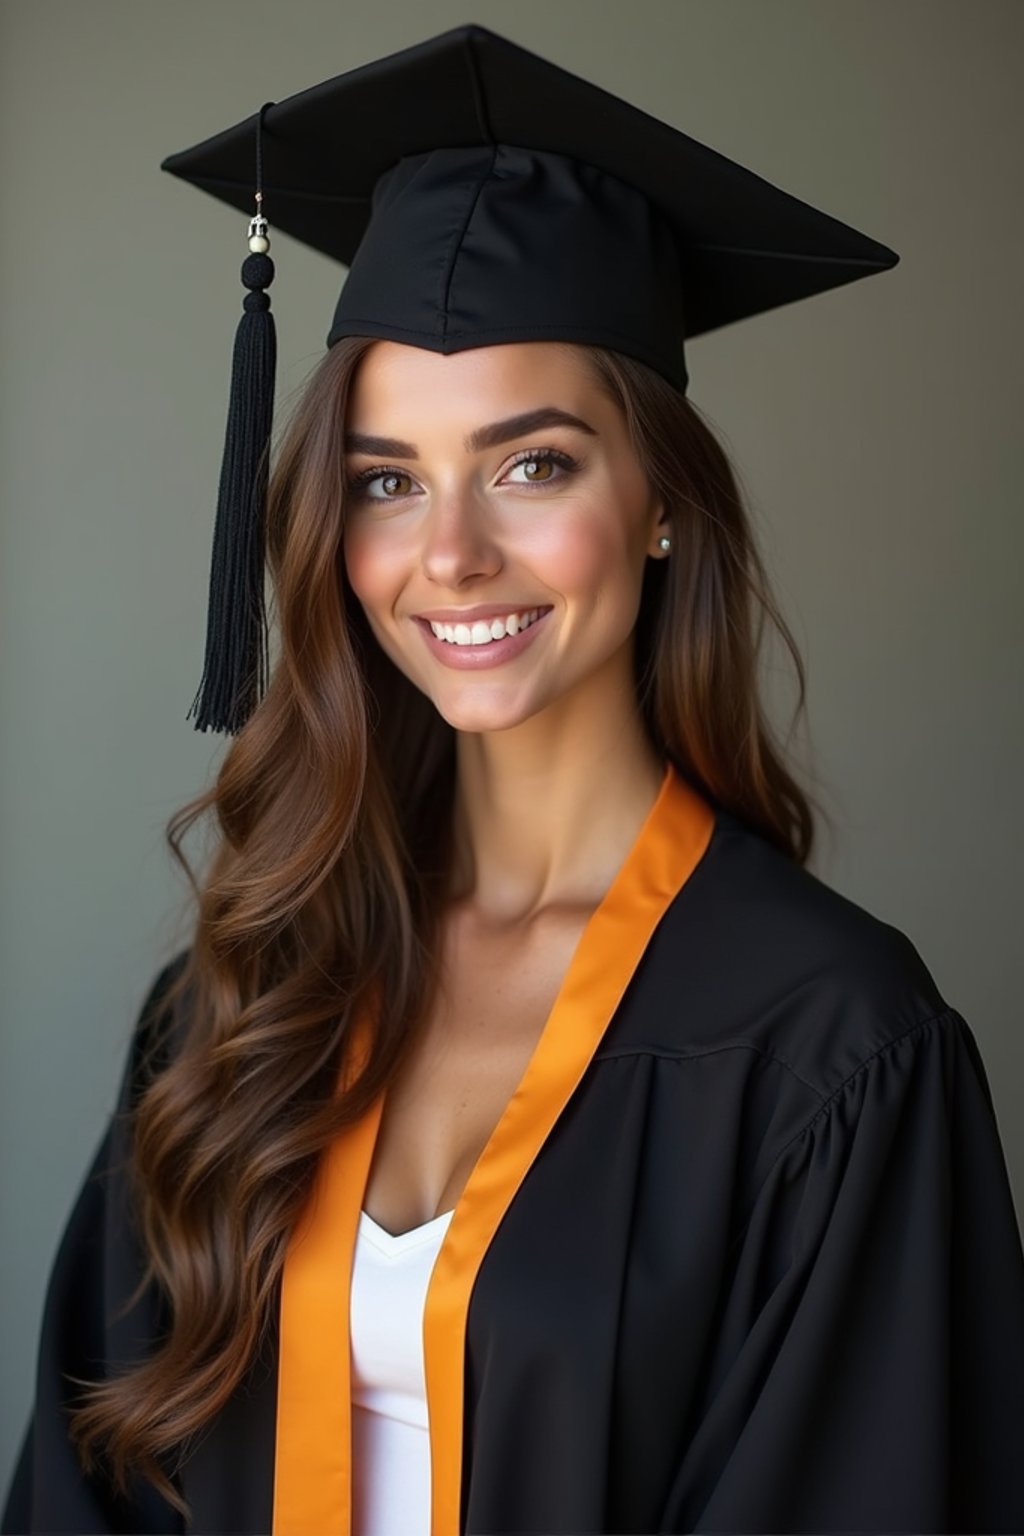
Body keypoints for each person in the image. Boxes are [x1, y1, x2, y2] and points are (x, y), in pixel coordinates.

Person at [4, 21, 1024, 1536]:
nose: (451, 554)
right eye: (387, 481)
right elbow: (85, 1479)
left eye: (533, 463)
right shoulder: (249, 991)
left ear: (663, 498)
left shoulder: (830, 1052)